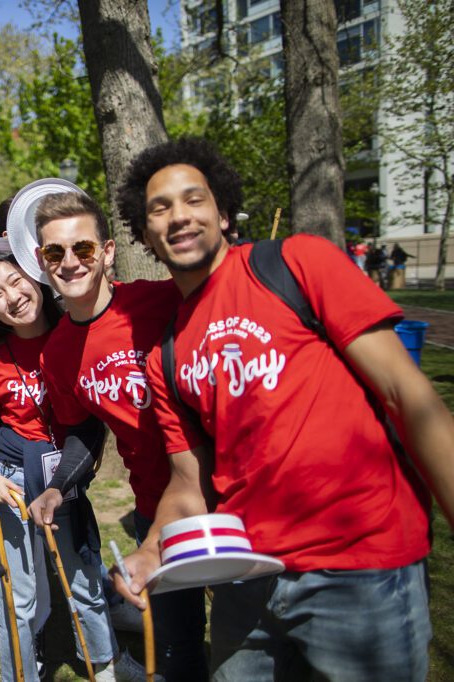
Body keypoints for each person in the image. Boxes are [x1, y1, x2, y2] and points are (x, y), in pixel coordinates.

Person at [114, 138, 454, 680]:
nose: (178, 216)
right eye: (160, 208)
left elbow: (407, 394)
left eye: (193, 199)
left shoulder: (298, 263)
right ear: (146, 233)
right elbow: (187, 481)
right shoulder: (166, 352)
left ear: (224, 213)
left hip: (360, 567)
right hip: (246, 577)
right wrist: (154, 547)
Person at [22, 188, 206, 680]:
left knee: (248, 638)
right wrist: (60, 485)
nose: (70, 262)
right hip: (156, 510)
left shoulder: (160, 299)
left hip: (225, 494)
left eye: (82, 248)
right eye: (55, 252)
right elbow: (83, 428)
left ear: (105, 252)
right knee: (177, 648)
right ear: (42, 261)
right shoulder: (57, 352)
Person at [0, 240, 148, 682]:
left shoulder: (75, 335)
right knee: (20, 595)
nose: (12, 297)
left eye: (15, 281)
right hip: (9, 480)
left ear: (34, 277)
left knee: (84, 577)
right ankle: (18, 675)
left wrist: (85, 462)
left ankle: (106, 666)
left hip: (62, 475)